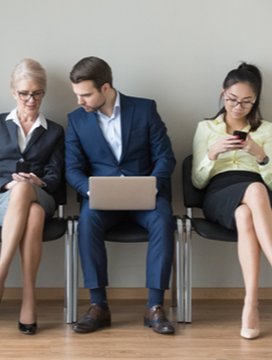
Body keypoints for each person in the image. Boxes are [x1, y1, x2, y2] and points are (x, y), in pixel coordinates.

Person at [65, 56, 177, 335]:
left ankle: (154, 306)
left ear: (105, 88)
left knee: (164, 220)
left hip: (145, 196)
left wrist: (152, 186)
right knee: (87, 222)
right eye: (77, 95)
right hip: (102, 199)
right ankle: (98, 305)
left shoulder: (144, 109)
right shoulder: (76, 121)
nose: (80, 101)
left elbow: (165, 157)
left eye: (86, 94)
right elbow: (72, 168)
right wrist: (92, 191)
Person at [191, 62, 272, 340]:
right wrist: (213, 153)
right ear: (222, 94)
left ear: (255, 101)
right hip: (218, 193)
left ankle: (250, 305)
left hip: (258, 201)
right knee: (254, 188)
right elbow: (197, 182)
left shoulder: (267, 130)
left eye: (246, 102)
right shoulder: (206, 128)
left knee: (246, 211)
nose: (238, 107)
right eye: (231, 100)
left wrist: (260, 155)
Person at [0, 59, 64, 335]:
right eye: (24, 93)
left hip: (41, 195)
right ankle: (28, 300)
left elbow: (57, 176)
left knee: (29, 193)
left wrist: (39, 181)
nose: (31, 99)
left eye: (37, 93)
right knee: (30, 210)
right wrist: (7, 185)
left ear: (43, 93)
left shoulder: (55, 131)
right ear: (14, 92)